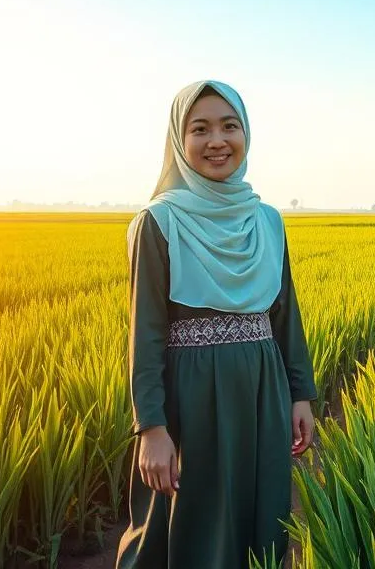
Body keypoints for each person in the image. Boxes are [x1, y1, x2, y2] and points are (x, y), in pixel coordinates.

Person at [115, 79, 318, 568]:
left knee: (260, 518)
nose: (216, 141)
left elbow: (284, 315)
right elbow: (145, 335)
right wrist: (152, 429)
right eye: (199, 129)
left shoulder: (267, 220)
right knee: (187, 524)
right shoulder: (158, 223)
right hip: (192, 400)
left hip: (262, 392)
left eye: (230, 127)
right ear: (178, 143)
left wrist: (301, 393)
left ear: (246, 134)